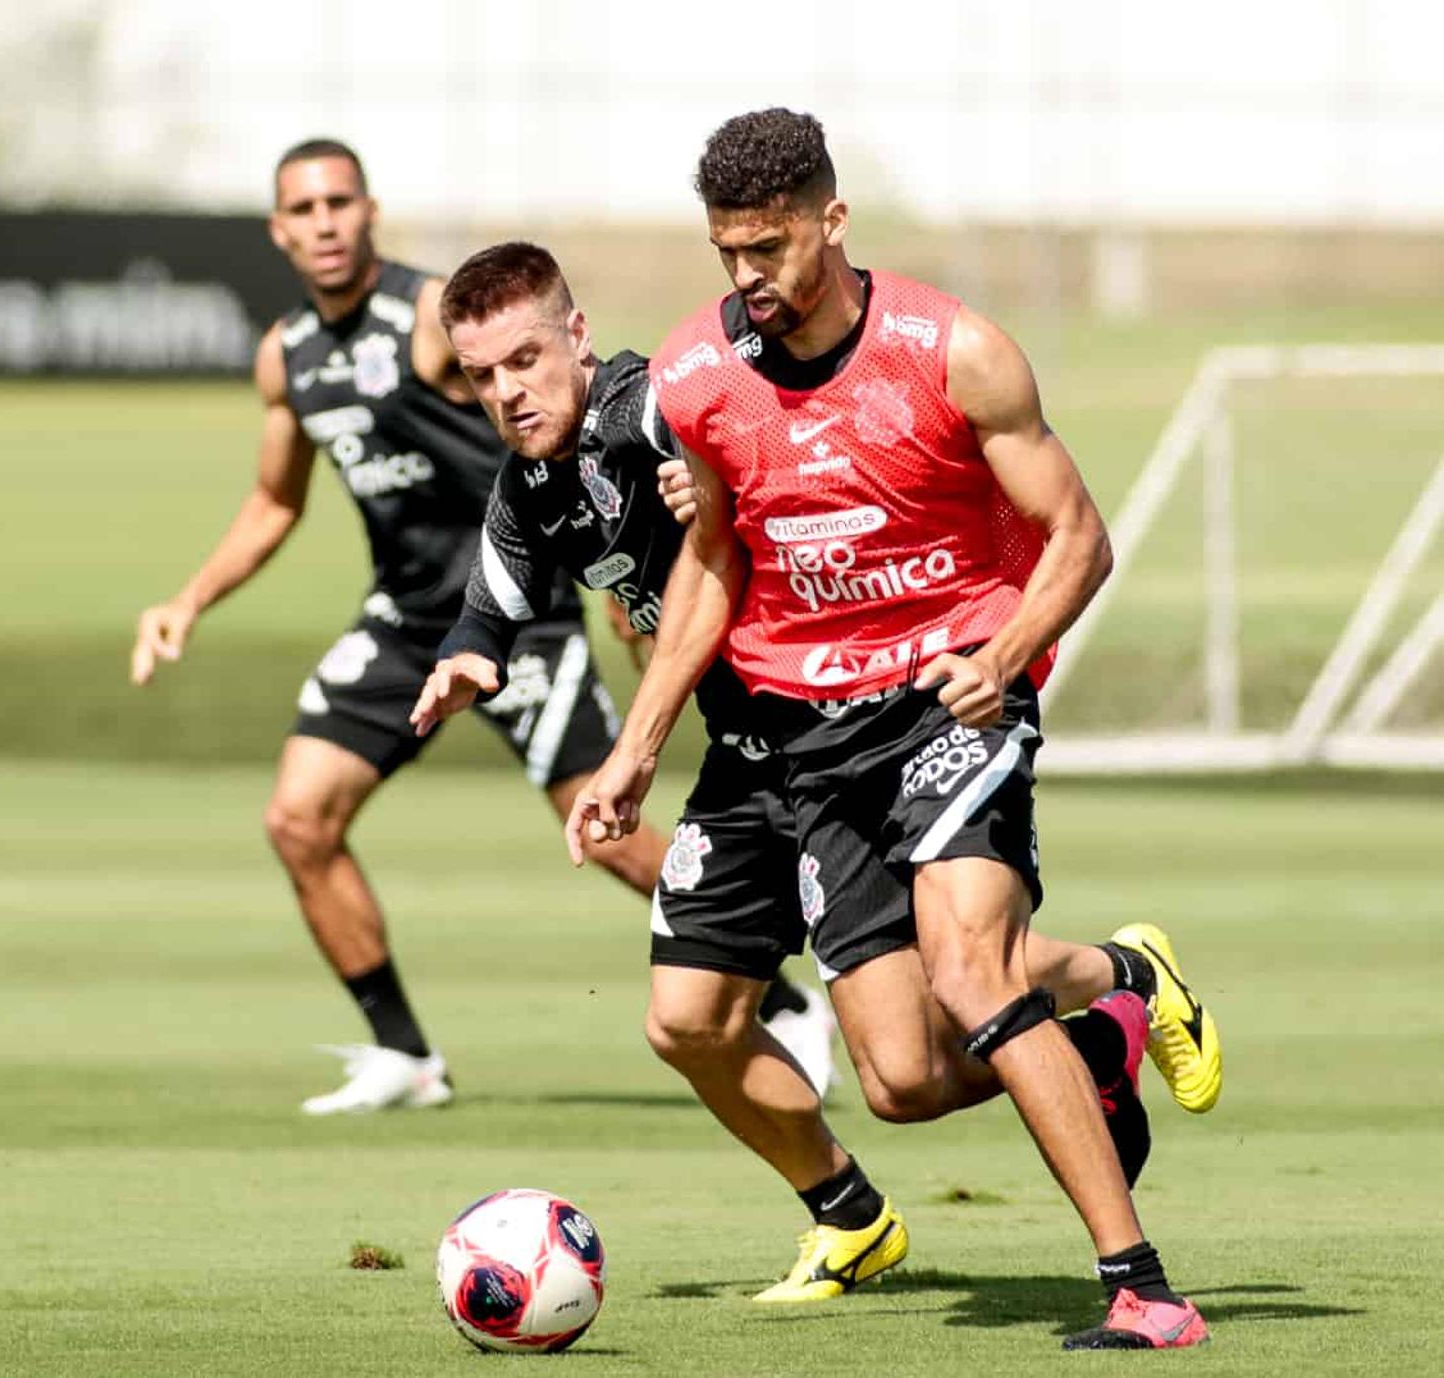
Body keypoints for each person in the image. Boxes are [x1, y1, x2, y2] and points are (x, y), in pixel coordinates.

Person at [411, 240, 1174, 1305]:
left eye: (525, 360)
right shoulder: (528, 486)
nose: (507, 391)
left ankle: (1111, 995)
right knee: (685, 1021)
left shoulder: (655, 407)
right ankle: (850, 1215)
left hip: (841, 734)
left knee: (911, 1062)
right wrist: (465, 659)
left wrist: (704, 484)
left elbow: (752, 444)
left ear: (575, 337)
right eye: (482, 374)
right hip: (744, 761)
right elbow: (490, 601)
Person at [568, 110, 1221, 1349]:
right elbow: (710, 556)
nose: (749, 277)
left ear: (833, 220)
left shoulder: (952, 351)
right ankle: (1113, 1008)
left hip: (948, 700)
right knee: (906, 1080)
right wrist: (641, 740)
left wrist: (1006, 658)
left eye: (769, 247)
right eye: (727, 254)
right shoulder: (696, 373)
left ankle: (1142, 1286)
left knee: (973, 968)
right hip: (807, 741)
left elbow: (1080, 536)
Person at [129, 138, 824, 1115]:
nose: (325, 222)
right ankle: (403, 1052)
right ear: (278, 231)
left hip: (524, 617)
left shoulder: (430, 317)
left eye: (340, 202)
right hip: (411, 623)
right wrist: (186, 600)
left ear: (369, 211)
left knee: (614, 838)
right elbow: (272, 502)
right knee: (297, 816)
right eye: (304, 208)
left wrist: (638, 539)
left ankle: (784, 998)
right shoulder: (285, 357)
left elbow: (577, 402)